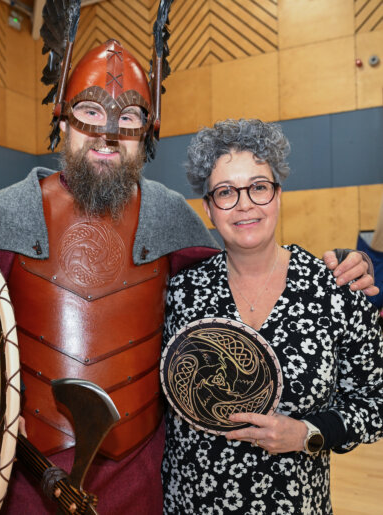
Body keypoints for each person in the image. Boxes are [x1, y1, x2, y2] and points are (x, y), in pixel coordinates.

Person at [161, 119, 383, 514]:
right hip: (192, 502)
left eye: (259, 187)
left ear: (278, 195)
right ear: (209, 208)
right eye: (226, 192)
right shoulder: (181, 293)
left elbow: (375, 400)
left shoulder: (334, 288)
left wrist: (308, 433)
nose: (245, 203)